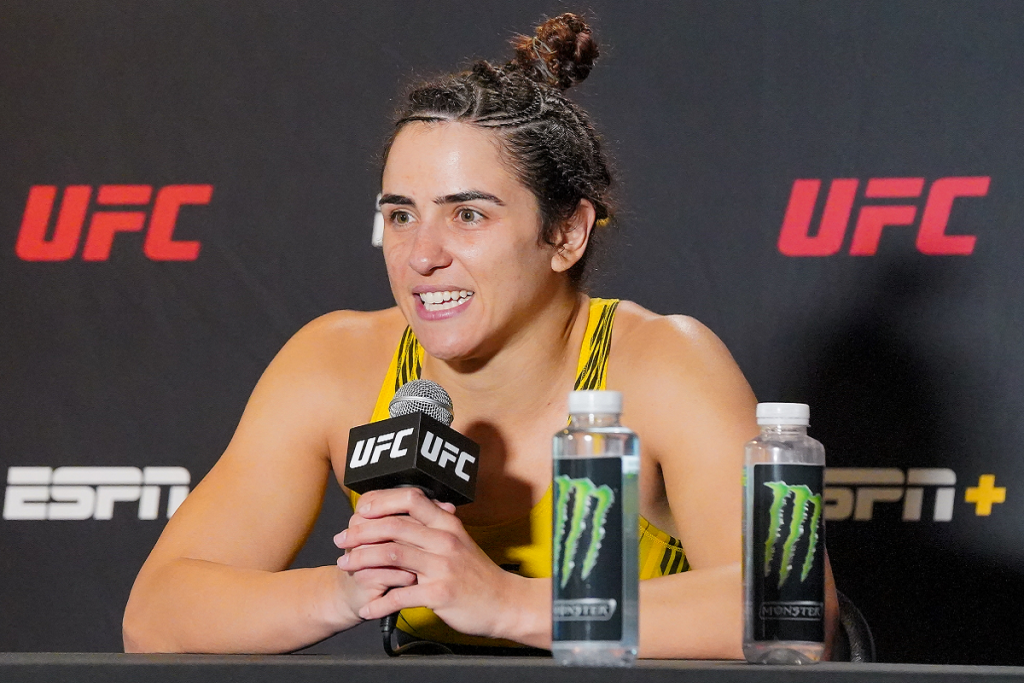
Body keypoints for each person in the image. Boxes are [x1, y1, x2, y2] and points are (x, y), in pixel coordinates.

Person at [123, 13, 837, 658]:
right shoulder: (334, 363)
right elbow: (156, 615)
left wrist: (505, 602)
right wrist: (352, 587)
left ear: (566, 233)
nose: (421, 255)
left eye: (467, 215)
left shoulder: (663, 363)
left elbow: (795, 619)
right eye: (401, 215)